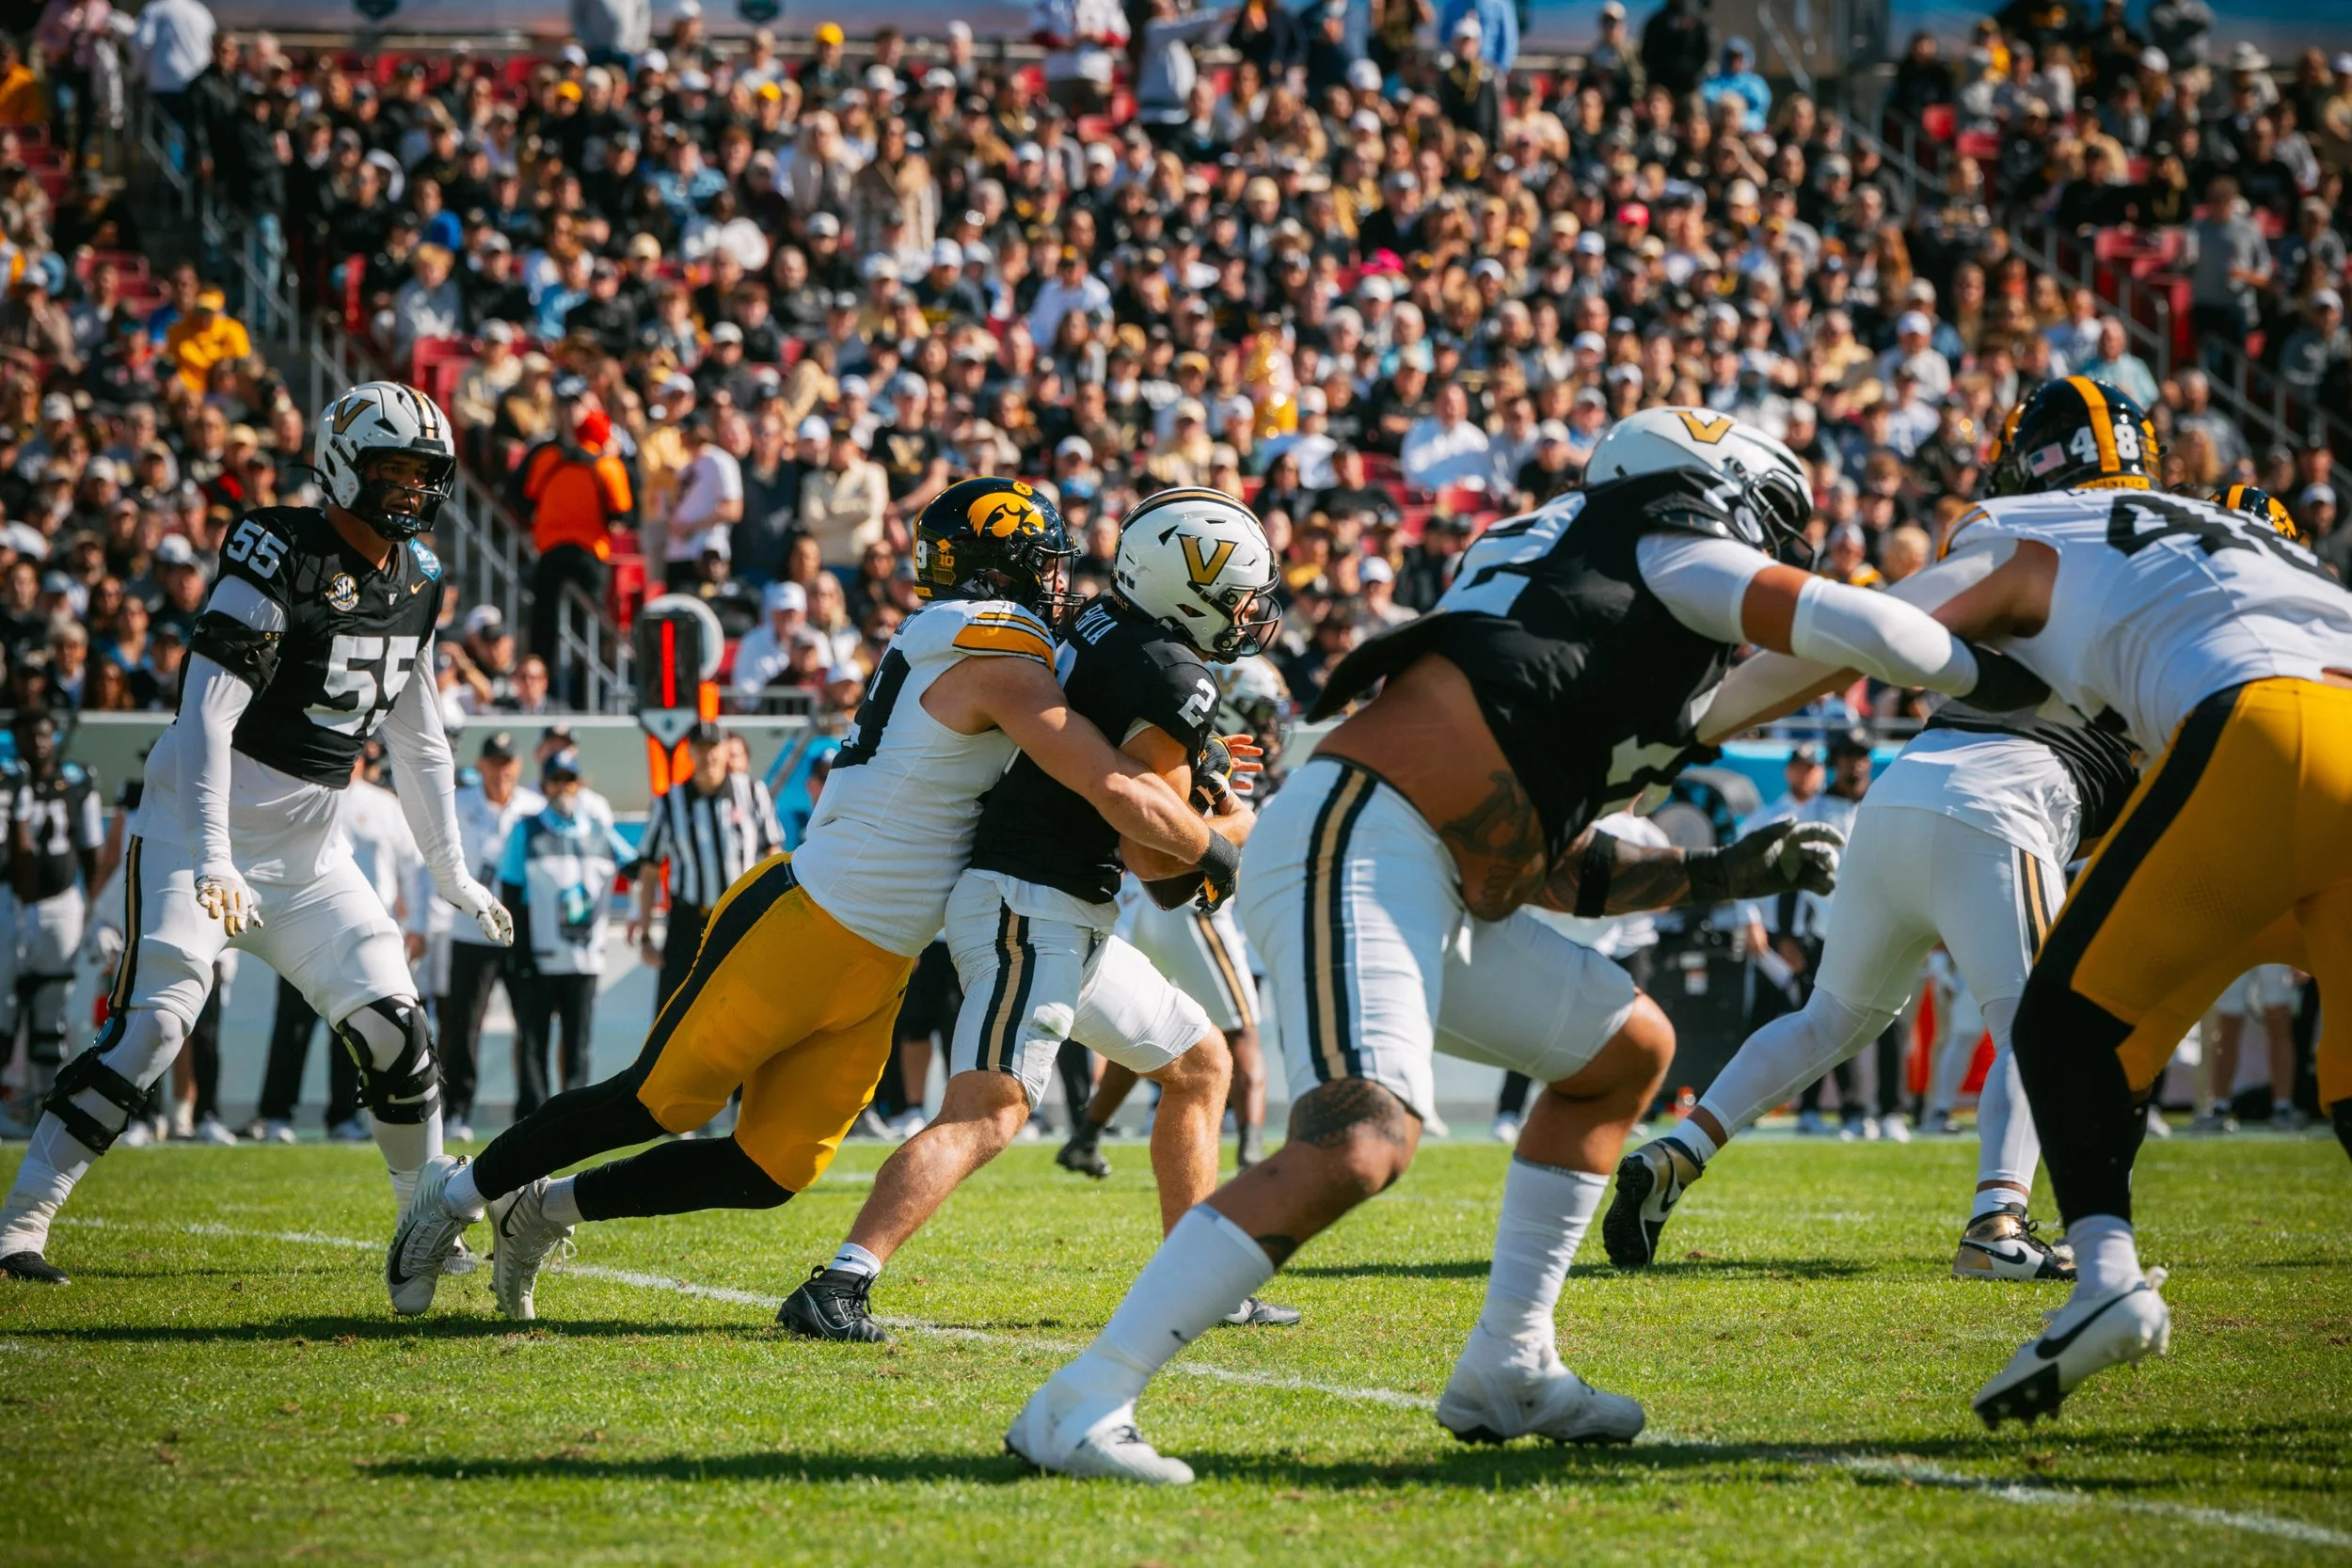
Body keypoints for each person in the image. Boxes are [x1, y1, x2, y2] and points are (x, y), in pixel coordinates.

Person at [1007, 407, 2026, 1483]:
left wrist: (1719, 872)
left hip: (1418, 860)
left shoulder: (1589, 608)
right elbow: (1872, 631)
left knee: (1624, 1051)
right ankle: (1081, 1397)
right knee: (1360, 1139)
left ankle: (1511, 1361)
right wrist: (2017, 675)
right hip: (1359, 836)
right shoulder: (1653, 543)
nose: (1772, 548)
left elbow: (1548, 855)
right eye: (1767, 523)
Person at [386, 478, 1232, 1323]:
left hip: (883, 959)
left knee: (768, 1170)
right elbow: (1110, 783)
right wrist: (1218, 841)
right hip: (807, 923)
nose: (1056, 582)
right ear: (997, 571)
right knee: (653, 1099)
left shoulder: (977, 641)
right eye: (1040, 563)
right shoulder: (998, 656)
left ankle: (544, 1208)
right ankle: (452, 1192)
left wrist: (1193, 755)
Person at [1820, 377, 2352, 1426]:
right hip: (2306, 737)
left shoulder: (2041, 527)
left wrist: (1720, 698)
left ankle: (2103, 1273)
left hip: (2266, 736)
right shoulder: (2260, 540)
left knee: (2063, 1024)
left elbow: (1884, 629)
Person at [0, 383, 514, 1295]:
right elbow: (205, 716)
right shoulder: (279, 552)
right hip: (198, 827)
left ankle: (422, 1225)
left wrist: (452, 872)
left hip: (310, 851)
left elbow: (420, 736)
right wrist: (211, 854)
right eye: (393, 469)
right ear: (344, 465)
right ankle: (20, 1223)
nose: (411, 489)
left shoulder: (419, 576)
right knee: (154, 1028)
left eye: (423, 473)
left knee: (398, 1031)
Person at [777, 488, 1285, 1342]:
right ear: (1190, 586)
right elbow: (1156, 863)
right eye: (1237, 594)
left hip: (1055, 905)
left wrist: (1197, 786)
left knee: (1200, 1063)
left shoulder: (1097, 622)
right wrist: (1232, 828)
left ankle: (1199, 1286)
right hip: (1031, 903)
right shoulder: (1175, 674)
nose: (1247, 613)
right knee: (990, 1109)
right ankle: (840, 1282)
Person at [1608, 664, 2142, 1278]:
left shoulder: (2054, 654)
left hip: (1895, 797)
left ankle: (1681, 1150)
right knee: (2035, 1031)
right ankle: (1997, 1225)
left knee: (1828, 1018)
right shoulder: (2147, 699)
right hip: (1999, 803)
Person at [498, 746, 635, 1121]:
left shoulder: (599, 831)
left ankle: (575, 1119)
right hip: (538, 957)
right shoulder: (526, 829)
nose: (563, 787)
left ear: (580, 784)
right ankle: (532, 1119)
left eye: (569, 780)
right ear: (543, 785)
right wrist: (519, 952)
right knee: (533, 1042)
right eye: (555, 780)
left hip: (583, 959)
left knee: (578, 1045)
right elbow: (510, 889)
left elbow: (638, 866)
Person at [425, 731, 542, 1144]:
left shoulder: (534, 807)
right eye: (493, 762)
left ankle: (532, 1112)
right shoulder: (460, 805)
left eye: (507, 762)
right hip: (471, 931)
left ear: (518, 765)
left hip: (522, 932)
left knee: (531, 1024)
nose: (500, 771)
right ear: (482, 765)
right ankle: (457, 1109)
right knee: (463, 1026)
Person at [634, 721, 783, 1013]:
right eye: (700, 749)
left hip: (743, 918)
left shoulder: (753, 792)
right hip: (690, 920)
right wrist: (646, 934)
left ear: (725, 749)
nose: (708, 756)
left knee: (749, 1010)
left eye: (713, 747)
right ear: (690, 753)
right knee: (674, 1014)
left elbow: (772, 854)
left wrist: (774, 918)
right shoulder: (669, 802)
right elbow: (649, 870)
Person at [5, 712, 100, 1117]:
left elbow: (92, 850)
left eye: (44, 734)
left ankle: (46, 1098)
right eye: (30, 735)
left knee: (52, 1006)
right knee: (5, 1006)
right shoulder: (9, 780)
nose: (38, 742)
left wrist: (94, 906)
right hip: (10, 900)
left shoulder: (77, 782)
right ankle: (11, 1099)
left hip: (62, 903)